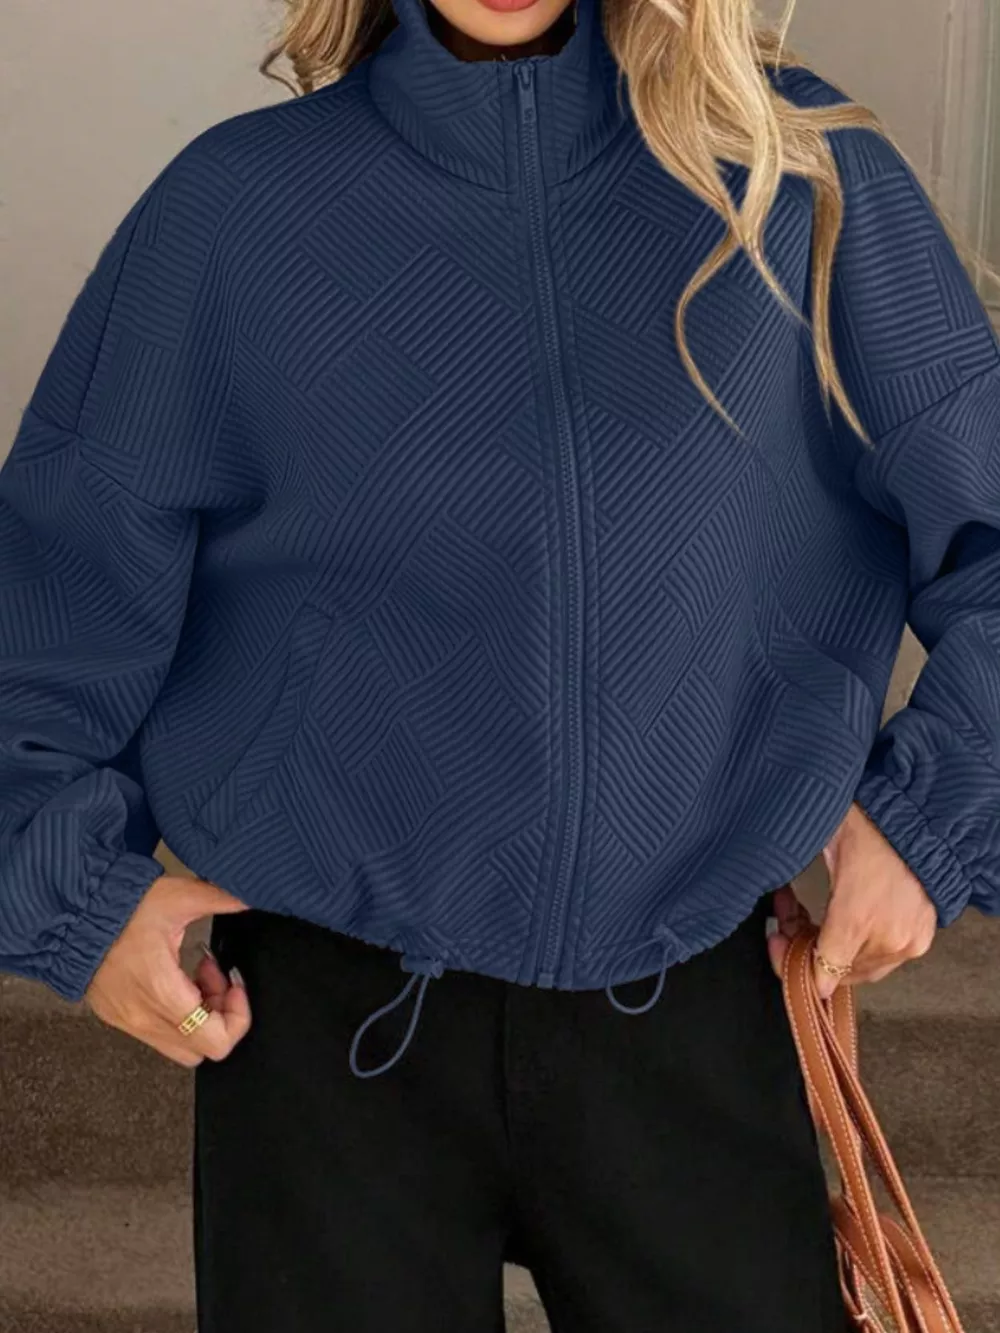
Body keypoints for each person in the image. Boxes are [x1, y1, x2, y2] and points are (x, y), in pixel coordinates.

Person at [3, 0, 999, 1327]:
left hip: (694, 1003)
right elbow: (54, 597)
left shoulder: (800, 175)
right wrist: (75, 900)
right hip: (323, 1028)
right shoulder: (233, 211)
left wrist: (934, 820)